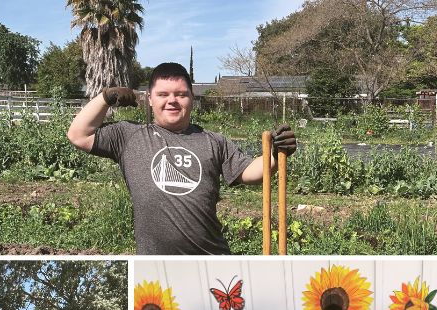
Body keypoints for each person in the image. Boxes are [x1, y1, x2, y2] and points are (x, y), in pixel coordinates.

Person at [65, 62, 297, 254]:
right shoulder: (129, 136)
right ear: (150, 99)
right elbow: (78, 135)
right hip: (155, 267)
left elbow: (251, 173)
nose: (172, 101)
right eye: (163, 94)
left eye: (181, 94)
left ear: (191, 99)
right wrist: (105, 98)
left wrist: (275, 154)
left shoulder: (213, 140)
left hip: (211, 259)